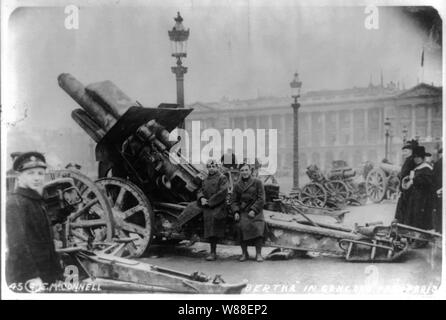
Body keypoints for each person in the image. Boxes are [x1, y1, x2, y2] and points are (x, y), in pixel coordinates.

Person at [6, 152, 63, 291]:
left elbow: (48, 243)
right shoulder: (15, 203)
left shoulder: (36, 202)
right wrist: (31, 277)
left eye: (40, 173)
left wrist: (58, 275)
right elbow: (18, 245)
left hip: (46, 275)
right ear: (20, 176)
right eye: (31, 173)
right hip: (27, 278)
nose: (37, 178)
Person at [231, 161, 266, 262]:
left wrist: (254, 210)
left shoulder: (257, 182)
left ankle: (258, 254)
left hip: (256, 212)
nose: (244, 172)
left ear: (250, 171)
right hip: (243, 212)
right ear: (239, 172)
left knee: (258, 227)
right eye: (242, 170)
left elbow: (262, 198)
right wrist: (236, 212)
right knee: (240, 226)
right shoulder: (237, 185)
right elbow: (233, 201)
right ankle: (244, 253)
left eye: (246, 170)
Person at [197, 159, 229, 261]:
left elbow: (223, 192)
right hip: (207, 205)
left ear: (217, 167)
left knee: (213, 219)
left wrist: (210, 202)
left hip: (218, 206)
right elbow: (200, 190)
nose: (211, 169)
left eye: (213, 166)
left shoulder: (222, 178)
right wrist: (201, 198)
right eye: (209, 167)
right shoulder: (205, 179)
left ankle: (213, 252)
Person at [402, 146, 434, 232]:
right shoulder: (418, 167)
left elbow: (427, 182)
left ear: (422, 158)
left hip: (423, 199)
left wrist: (414, 180)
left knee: (420, 220)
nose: (415, 159)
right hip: (416, 198)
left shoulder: (426, 168)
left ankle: (420, 238)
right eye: (415, 157)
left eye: (417, 157)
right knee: (414, 218)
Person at [395, 140, 418, 223]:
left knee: (404, 213)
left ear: (411, 151)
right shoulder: (409, 160)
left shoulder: (411, 161)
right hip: (405, 190)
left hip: (408, 191)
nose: (403, 153)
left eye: (405, 151)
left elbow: (410, 175)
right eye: (403, 151)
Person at [432, 148, 442, 233]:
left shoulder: (437, 163)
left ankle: (439, 229)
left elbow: (434, 179)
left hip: (439, 191)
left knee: (439, 211)